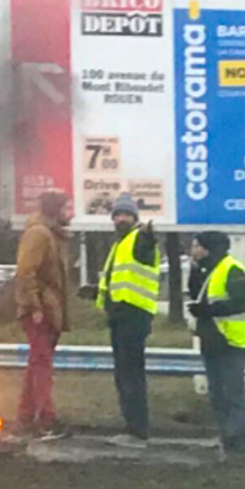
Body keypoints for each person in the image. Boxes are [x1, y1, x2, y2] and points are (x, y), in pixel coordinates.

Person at [92, 192, 160, 449]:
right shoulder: (119, 244)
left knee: (131, 376)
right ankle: (133, 428)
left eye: (125, 215)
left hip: (133, 316)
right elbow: (118, 279)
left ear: (134, 217)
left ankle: (137, 431)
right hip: (121, 317)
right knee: (124, 376)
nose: (120, 219)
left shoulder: (138, 239)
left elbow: (146, 248)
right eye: (117, 215)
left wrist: (149, 237)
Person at [187, 231, 245, 455]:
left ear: (207, 248)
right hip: (211, 339)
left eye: (196, 246)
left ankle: (240, 441)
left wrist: (208, 310)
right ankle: (226, 438)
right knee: (217, 394)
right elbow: (197, 295)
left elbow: (242, 303)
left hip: (231, 340)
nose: (192, 250)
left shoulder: (231, 268)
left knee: (231, 393)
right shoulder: (206, 270)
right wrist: (195, 272)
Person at [14, 190, 74, 440]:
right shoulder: (38, 234)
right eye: (67, 208)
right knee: (42, 365)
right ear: (55, 210)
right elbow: (25, 272)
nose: (71, 213)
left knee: (37, 363)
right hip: (41, 312)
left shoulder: (53, 235)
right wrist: (35, 307)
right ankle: (46, 421)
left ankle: (26, 418)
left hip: (50, 311)